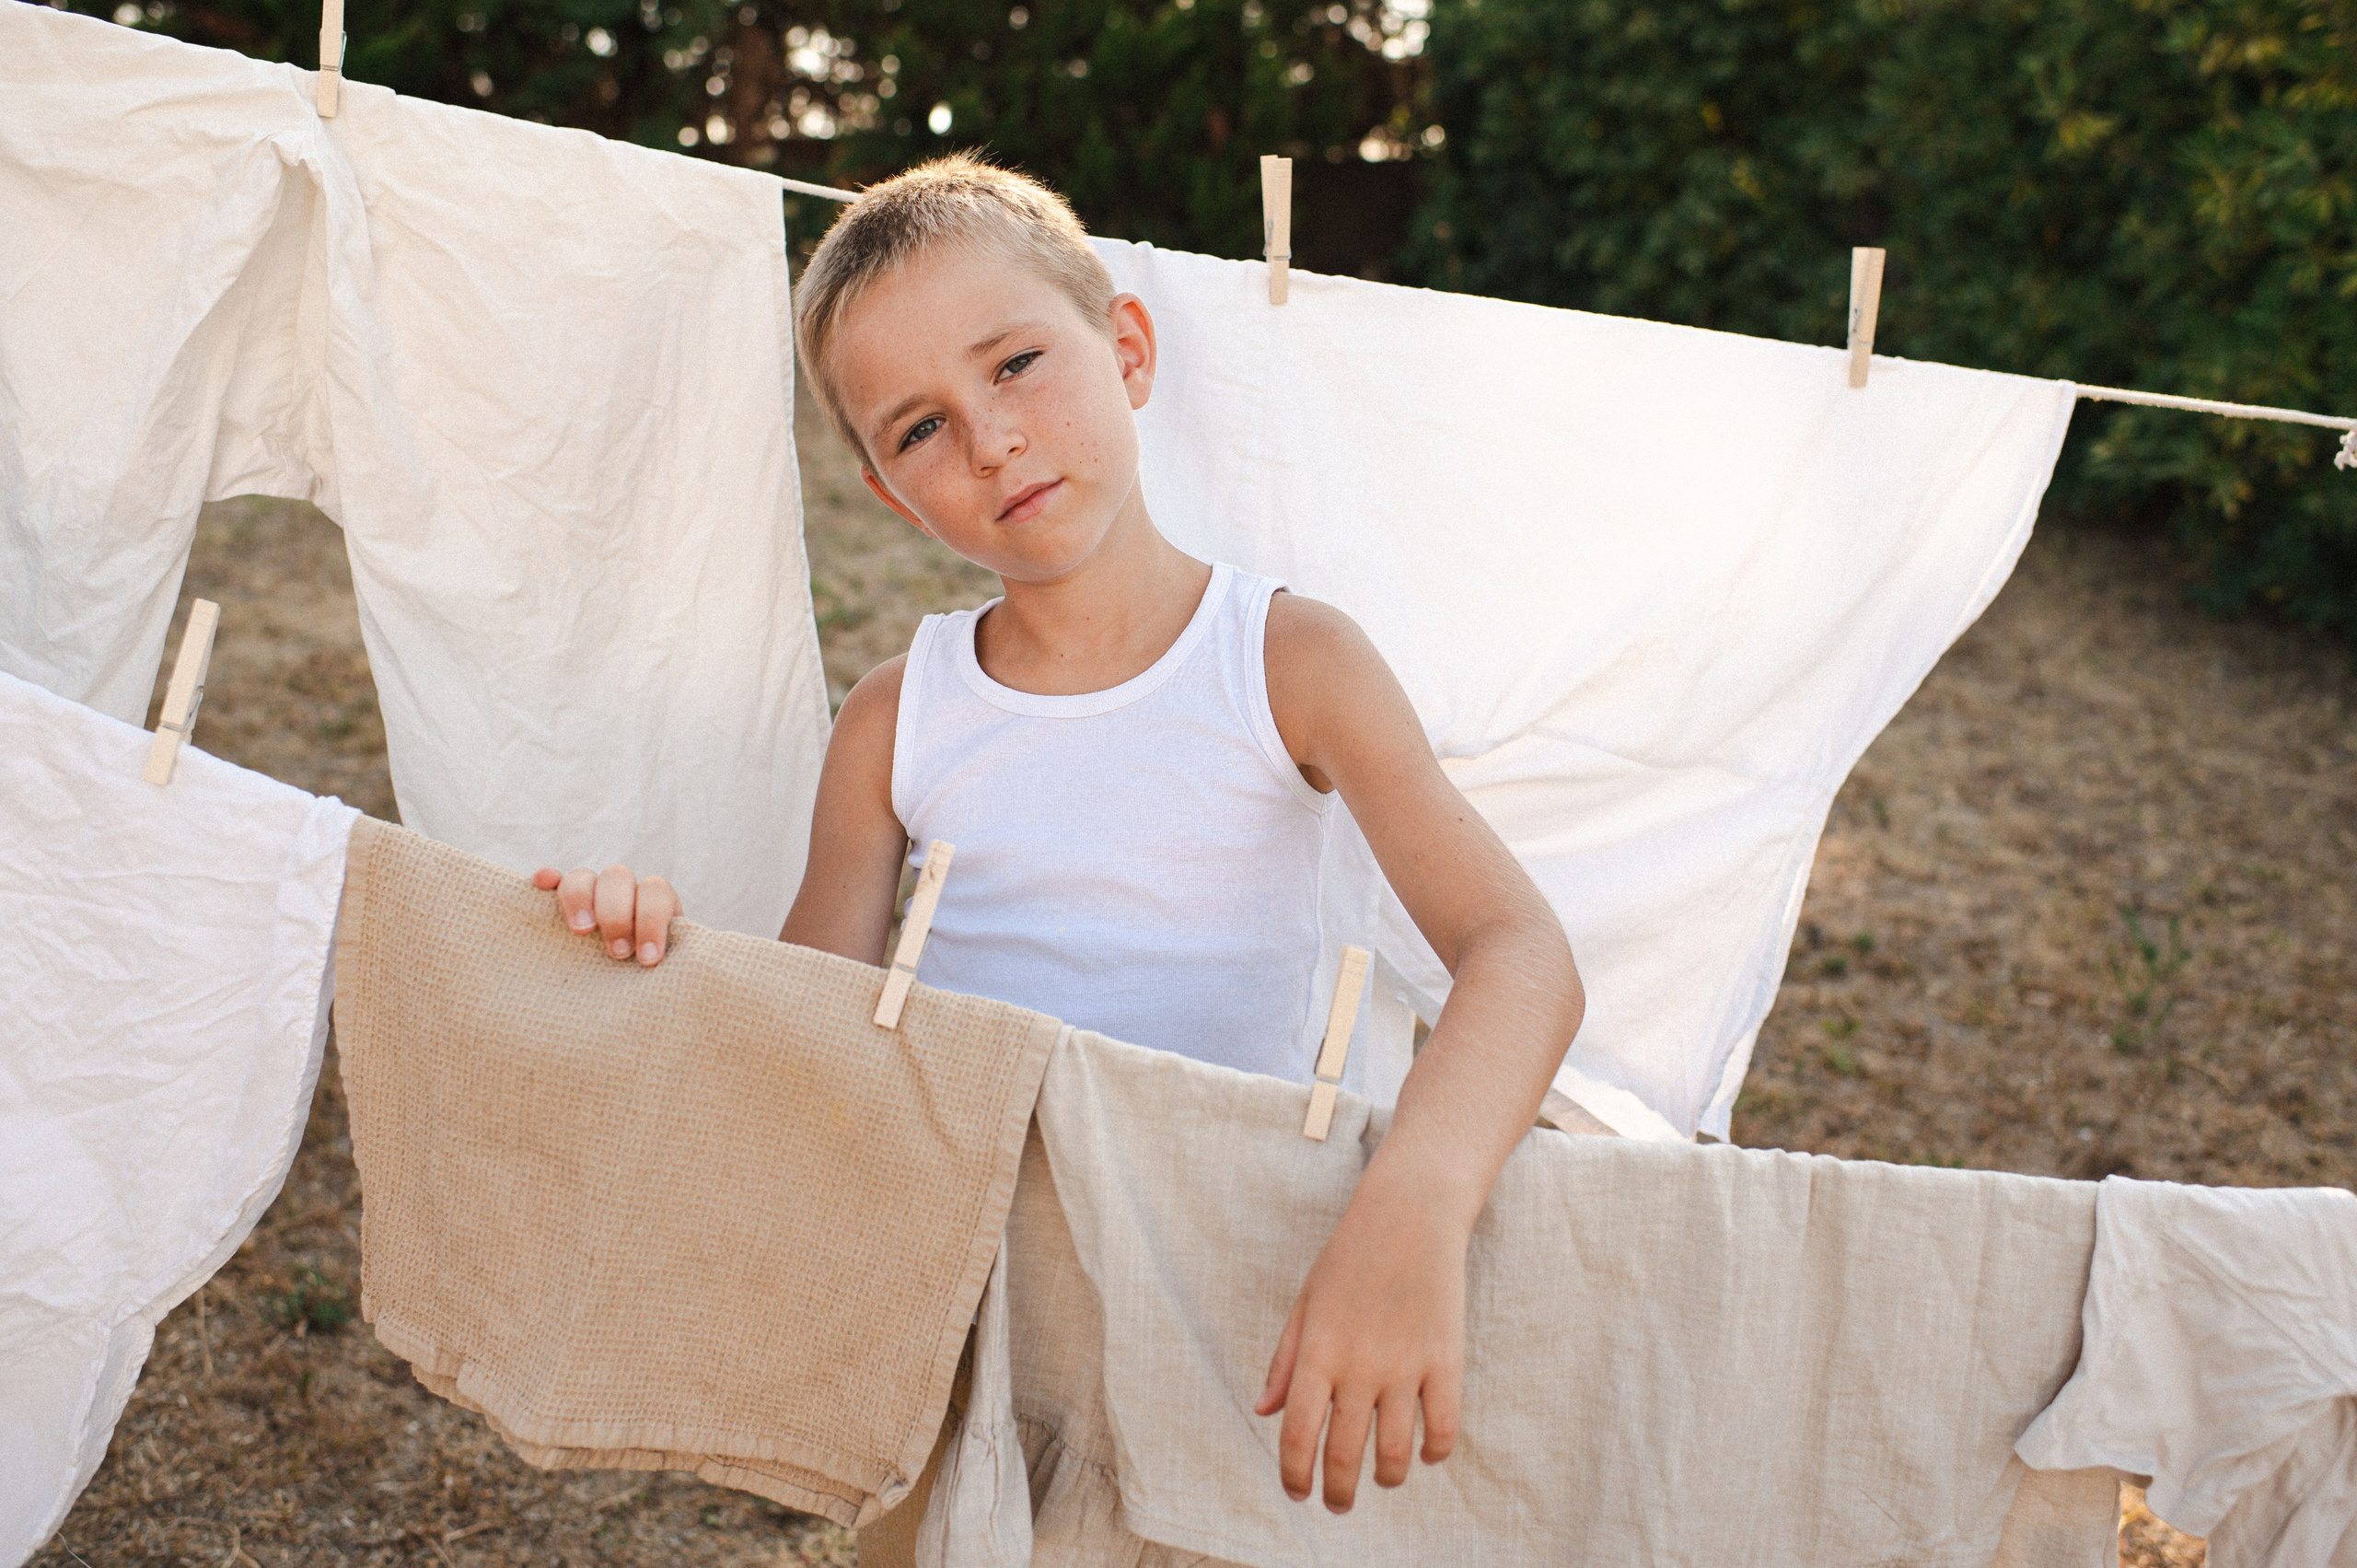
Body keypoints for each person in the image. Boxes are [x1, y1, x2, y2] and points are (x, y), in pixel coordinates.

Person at [534, 153, 1584, 1523]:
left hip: (1234, 1307)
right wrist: (657, 957)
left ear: (1128, 350)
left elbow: (1519, 952)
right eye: (921, 428)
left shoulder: (1290, 663)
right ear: (890, 492)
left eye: (1017, 364)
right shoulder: (896, 719)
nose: (990, 441)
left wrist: (1417, 1203)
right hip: (966, 1336)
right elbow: (804, 1045)